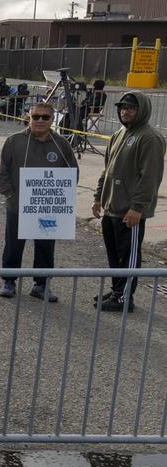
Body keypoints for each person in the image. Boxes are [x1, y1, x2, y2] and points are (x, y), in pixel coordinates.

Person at [0, 101, 78, 301]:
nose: (40, 120)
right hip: (17, 207)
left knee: (45, 247)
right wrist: (11, 195)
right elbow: (1, 171)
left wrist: (61, 195)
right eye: (36, 117)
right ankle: (9, 281)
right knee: (13, 246)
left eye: (45, 117)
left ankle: (41, 285)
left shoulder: (61, 144)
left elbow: (72, 172)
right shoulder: (14, 141)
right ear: (28, 118)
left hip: (47, 208)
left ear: (52, 120)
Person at [92, 92, 166, 311]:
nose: (126, 111)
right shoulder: (119, 134)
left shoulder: (149, 138)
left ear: (141, 110)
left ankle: (124, 298)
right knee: (115, 255)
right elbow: (108, 169)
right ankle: (117, 291)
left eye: (131, 108)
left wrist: (137, 208)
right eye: (123, 107)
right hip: (111, 208)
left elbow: (150, 177)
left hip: (129, 211)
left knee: (129, 257)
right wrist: (98, 197)